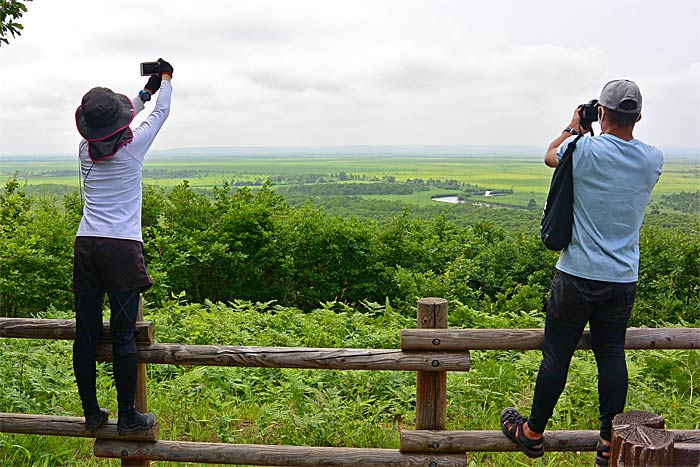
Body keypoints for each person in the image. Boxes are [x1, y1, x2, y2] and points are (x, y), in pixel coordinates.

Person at [499, 79, 663, 466]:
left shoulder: (582, 148)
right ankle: (609, 442)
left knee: (557, 354)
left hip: (576, 274)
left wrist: (575, 122)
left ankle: (533, 432)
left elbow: (550, 154)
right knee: (611, 354)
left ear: (601, 113)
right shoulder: (653, 158)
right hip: (622, 277)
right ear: (638, 117)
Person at [72, 59, 173, 434]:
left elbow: (113, 123)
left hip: (87, 246)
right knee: (123, 333)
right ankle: (128, 416)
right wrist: (165, 80)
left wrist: (143, 93)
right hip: (121, 249)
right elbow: (160, 113)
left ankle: (91, 414)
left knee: (85, 332)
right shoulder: (133, 149)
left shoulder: (85, 150)